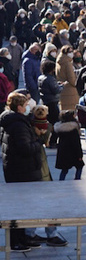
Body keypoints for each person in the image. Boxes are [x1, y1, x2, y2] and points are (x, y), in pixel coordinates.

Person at [1, 92, 47, 251]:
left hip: (16, 170)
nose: (28, 107)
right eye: (26, 104)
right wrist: (39, 141)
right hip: (23, 171)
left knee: (21, 207)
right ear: (19, 107)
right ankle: (17, 241)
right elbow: (25, 148)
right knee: (21, 207)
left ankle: (22, 238)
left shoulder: (12, 121)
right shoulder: (19, 124)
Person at [54, 109, 84, 181]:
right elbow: (77, 143)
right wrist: (80, 155)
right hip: (73, 152)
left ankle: (61, 181)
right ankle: (77, 179)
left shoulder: (60, 129)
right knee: (79, 166)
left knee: (64, 169)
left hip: (63, 152)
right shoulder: (73, 129)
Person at [38, 60, 62, 147]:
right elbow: (56, 90)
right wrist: (62, 86)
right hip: (52, 102)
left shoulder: (41, 78)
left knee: (48, 123)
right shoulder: (50, 79)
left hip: (45, 101)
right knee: (56, 123)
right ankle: (53, 141)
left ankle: (46, 140)